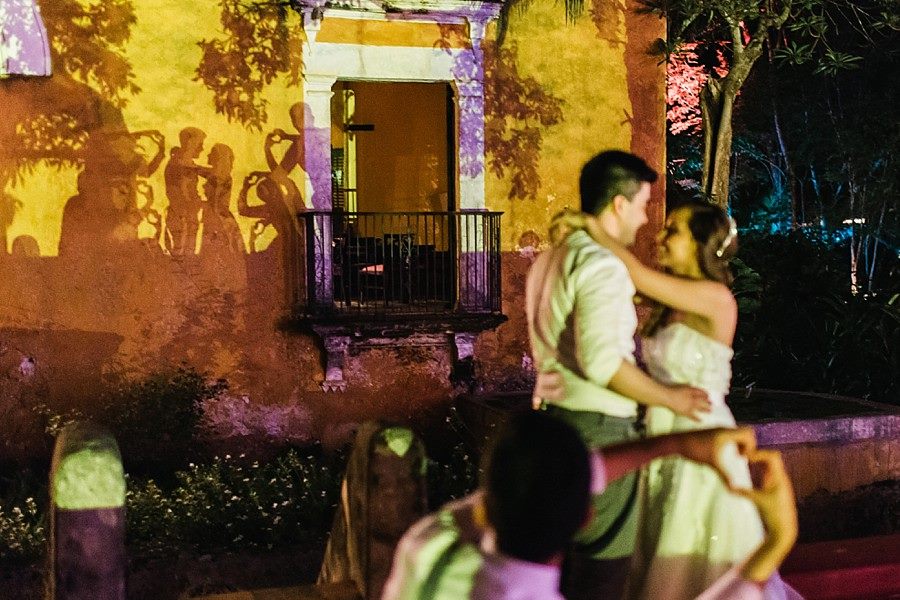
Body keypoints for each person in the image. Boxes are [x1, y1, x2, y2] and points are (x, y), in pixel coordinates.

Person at [578, 201, 798, 599]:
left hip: (701, 428)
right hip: (661, 427)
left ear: (701, 244)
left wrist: (591, 228)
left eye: (672, 231)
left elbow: (635, 274)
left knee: (691, 537)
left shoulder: (716, 299)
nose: (659, 237)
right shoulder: (668, 304)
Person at [525, 150, 711, 599]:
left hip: (550, 422)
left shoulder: (551, 257)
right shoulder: (603, 265)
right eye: (645, 205)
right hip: (598, 430)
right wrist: (672, 400)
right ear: (619, 205)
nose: (646, 220)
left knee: (555, 571)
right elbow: (604, 363)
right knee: (601, 575)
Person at [381, 411, 798, 600]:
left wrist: (677, 444)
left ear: (486, 505)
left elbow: (536, 482)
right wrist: (777, 540)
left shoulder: (427, 544)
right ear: (586, 518)